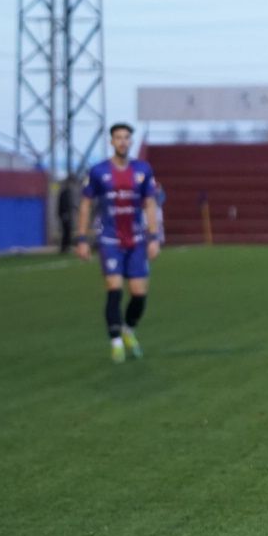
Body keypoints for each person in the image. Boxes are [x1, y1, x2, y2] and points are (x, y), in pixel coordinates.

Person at [74, 122, 161, 363]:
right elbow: (85, 204)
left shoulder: (143, 170)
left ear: (131, 142)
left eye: (126, 138)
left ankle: (128, 329)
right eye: (118, 138)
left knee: (139, 294)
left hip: (136, 240)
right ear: (111, 142)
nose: (122, 141)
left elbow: (150, 204)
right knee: (114, 290)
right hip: (110, 239)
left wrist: (154, 237)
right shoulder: (99, 171)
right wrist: (81, 238)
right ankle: (115, 341)